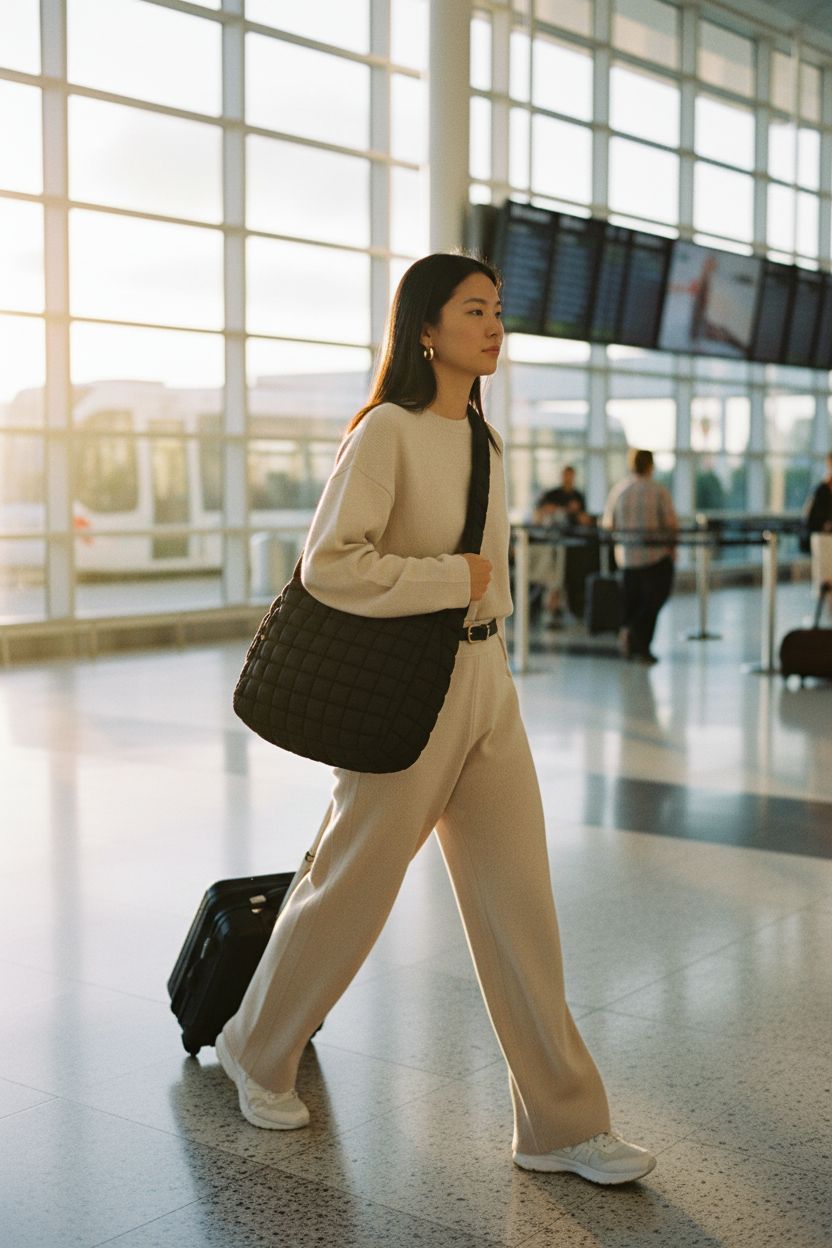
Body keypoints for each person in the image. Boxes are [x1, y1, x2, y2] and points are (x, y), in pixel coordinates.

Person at [215, 254, 655, 1185]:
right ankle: (255, 1050)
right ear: (426, 328)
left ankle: (559, 1124)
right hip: (405, 690)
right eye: (474, 310)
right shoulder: (386, 433)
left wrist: (484, 634)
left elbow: (482, 583)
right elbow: (331, 564)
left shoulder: (487, 445)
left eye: (499, 311)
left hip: (487, 683)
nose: (494, 326)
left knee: (521, 907)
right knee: (350, 888)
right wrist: (448, 582)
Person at [602, 449, 678, 665]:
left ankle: (628, 633)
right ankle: (641, 646)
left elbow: (609, 524)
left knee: (631, 602)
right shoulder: (658, 491)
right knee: (652, 602)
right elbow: (671, 524)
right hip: (654, 557)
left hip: (627, 558)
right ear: (650, 466)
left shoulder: (620, 490)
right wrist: (672, 548)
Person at [528, 468, 592, 625]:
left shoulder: (578, 496)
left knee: (564, 577)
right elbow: (538, 514)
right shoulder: (552, 495)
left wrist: (576, 513)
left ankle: (561, 608)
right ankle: (546, 607)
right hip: (550, 546)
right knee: (551, 576)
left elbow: (586, 520)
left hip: (570, 547)